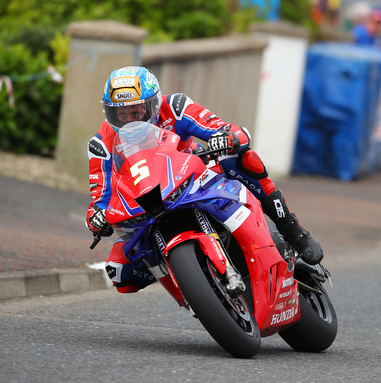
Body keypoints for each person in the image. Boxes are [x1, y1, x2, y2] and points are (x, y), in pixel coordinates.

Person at [86, 66, 323, 293]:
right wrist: (96, 217)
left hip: (191, 178)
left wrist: (227, 137)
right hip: (146, 205)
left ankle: (292, 229)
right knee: (119, 273)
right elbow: (100, 198)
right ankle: (190, 287)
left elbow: (226, 129)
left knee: (242, 159)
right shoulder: (100, 145)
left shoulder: (176, 106)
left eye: (136, 112)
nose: (129, 120)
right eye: (121, 113)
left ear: (153, 105)